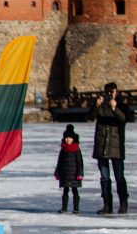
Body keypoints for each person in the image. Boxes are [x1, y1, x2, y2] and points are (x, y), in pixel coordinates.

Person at [89, 82, 132, 214]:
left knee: (119, 177)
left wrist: (115, 108)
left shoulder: (122, 106)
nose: (109, 95)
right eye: (107, 92)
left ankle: (123, 204)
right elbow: (89, 117)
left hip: (116, 148)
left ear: (116, 92)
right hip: (101, 148)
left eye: (112, 92)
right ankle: (107, 205)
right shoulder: (100, 107)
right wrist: (96, 106)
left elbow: (124, 119)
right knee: (104, 178)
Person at [54, 124, 84, 214]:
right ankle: (64, 208)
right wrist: (57, 172)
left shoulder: (76, 149)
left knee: (75, 191)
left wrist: (80, 173)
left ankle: (76, 208)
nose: (68, 139)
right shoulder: (63, 149)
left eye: (70, 138)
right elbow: (59, 162)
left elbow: (80, 163)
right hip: (65, 174)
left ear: (73, 139)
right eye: (66, 138)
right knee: (65, 191)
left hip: (75, 175)